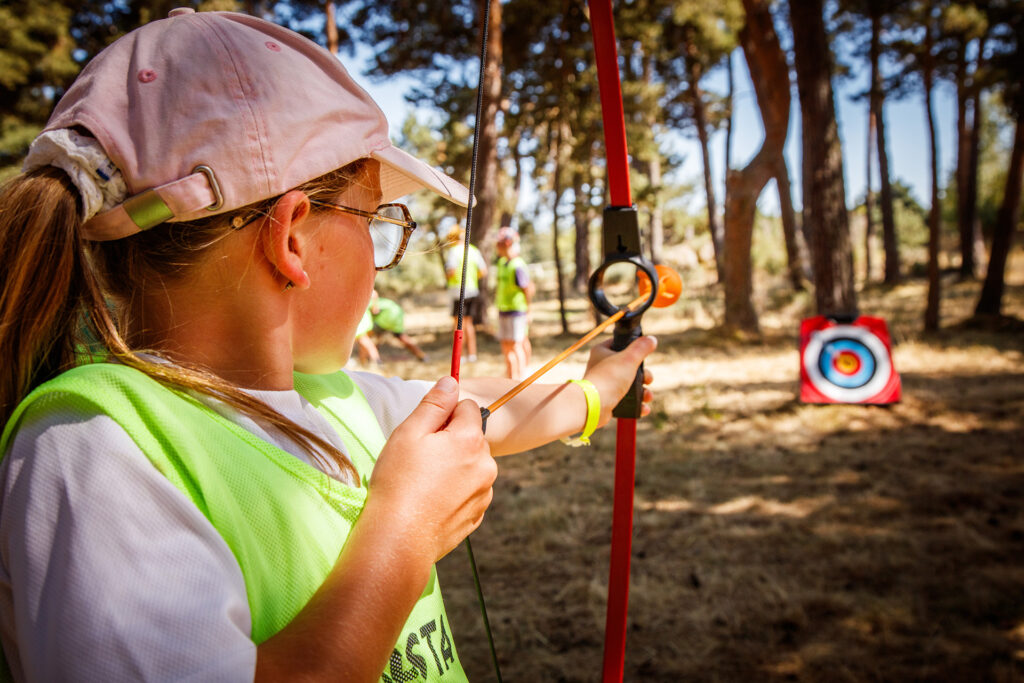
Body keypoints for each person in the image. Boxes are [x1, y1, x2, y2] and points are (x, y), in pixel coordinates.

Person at [0, 9, 657, 682]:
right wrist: (403, 537)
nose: (380, 253)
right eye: (375, 219)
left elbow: (478, 409)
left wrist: (597, 388)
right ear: (293, 239)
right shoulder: (91, 448)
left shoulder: (330, 397)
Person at [495, 228, 535, 381]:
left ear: (506, 243)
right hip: (504, 310)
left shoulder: (518, 265)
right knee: (506, 345)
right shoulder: (501, 263)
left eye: (498, 243)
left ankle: (521, 379)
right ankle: (511, 377)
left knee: (516, 345)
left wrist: (529, 311)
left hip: (517, 311)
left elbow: (527, 289)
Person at [444, 225, 488, 362]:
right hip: (472, 290)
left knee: (458, 325)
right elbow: (483, 271)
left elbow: (451, 271)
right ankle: (472, 354)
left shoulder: (453, 251)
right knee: (469, 324)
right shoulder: (473, 251)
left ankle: (460, 355)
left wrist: (448, 277)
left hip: (458, 291)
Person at [369, 289, 429, 362]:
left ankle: (374, 359)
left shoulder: (369, 303)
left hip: (388, 315)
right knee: (401, 336)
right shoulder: (382, 302)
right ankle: (421, 355)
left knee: (366, 337)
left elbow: (374, 304)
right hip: (397, 312)